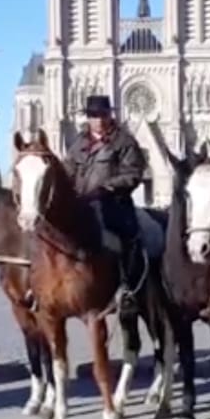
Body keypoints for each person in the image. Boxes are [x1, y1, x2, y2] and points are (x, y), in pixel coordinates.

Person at [63, 94, 148, 313]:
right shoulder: (78, 145)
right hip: (81, 206)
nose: (98, 120)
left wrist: (107, 187)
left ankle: (127, 288)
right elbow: (67, 172)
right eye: (93, 116)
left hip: (113, 203)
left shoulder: (124, 141)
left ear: (110, 115)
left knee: (124, 238)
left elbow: (134, 172)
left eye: (102, 115)